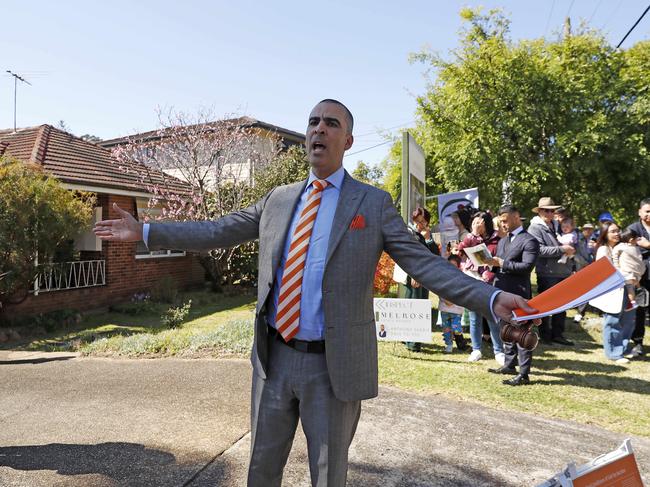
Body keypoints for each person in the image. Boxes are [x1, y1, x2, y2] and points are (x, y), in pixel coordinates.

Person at [93, 99, 534, 487]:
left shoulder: (371, 203)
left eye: (330, 123)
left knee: (328, 473)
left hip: (333, 365)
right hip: (274, 358)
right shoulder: (279, 199)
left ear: (348, 140)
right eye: (312, 122)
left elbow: (424, 264)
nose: (318, 129)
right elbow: (217, 230)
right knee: (261, 468)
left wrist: (491, 300)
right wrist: (146, 230)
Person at [487, 205, 540, 385]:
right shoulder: (503, 240)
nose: (502, 224)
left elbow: (527, 267)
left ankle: (524, 374)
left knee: (522, 332)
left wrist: (502, 263)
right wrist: (490, 263)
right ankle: (509, 364)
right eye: (500, 221)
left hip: (519, 292)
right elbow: (500, 263)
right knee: (506, 330)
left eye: (505, 220)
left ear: (517, 217)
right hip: (501, 290)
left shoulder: (529, 240)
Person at [457, 211, 504, 364]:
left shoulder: (496, 239)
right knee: (474, 316)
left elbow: (498, 259)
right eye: (474, 223)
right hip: (472, 279)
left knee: (491, 316)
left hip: (490, 281)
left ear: (487, 223)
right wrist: (473, 234)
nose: (477, 225)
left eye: (480, 223)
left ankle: (499, 351)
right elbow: (460, 250)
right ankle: (476, 349)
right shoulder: (472, 238)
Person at [528, 197, 576, 346]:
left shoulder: (556, 225)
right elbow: (539, 250)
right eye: (547, 210)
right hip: (547, 273)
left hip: (563, 271)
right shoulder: (535, 227)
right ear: (540, 211)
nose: (550, 213)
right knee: (546, 306)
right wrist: (562, 249)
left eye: (552, 210)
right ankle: (545, 336)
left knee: (562, 306)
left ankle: (558, 335)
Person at [595, 222, 636, 364]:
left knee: (628, 319)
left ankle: (622, 349)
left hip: (626, 287)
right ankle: (613, 353)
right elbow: (603, 272)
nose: (617, 233)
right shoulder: (603, 250)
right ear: (605, 234)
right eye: (613, 231)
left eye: (618, 231)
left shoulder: (621, 248)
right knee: (612, 321)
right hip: (612, 290)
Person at [403, 206, 439, 352]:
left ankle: (414, 340)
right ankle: (411, 342)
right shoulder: (409, 232)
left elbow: (435, 254)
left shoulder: (426, 234)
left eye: (423, 221)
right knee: (411, 307)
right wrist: (414, 275)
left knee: (420, 307)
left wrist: (428, 239)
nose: (420, 224)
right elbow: (408, 256)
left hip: (424, 276)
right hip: (413, 276)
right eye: (418, 221)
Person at [625, 198, 650, 356]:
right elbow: (628, 251)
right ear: (640, 212)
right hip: (641, 276)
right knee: (640, 309)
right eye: (647, 211)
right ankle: (638, 342)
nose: (649, 214)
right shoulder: (633, 229)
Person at [613, 228, 645, 312]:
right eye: (636, 239)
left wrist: (617, 267)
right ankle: (639, 290)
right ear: (631, 240)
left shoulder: (620, 247)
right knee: (634, 285)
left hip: (626, 273)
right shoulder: (636, 248)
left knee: (630, 288)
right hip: (637, 272)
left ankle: (633, 302)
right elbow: (639, 260)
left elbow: (614, 255)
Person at [439, 254, 466, 353]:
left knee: (456, 328)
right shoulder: (443, 277)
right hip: (444, 308)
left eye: (454, 266)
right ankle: (449, 345)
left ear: (458, 267)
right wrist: (445, 300)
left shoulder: (462, 278)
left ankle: (460, 341)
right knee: (446, 329)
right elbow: (439, 289)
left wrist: (452, 301)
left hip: (456, 309)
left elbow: (462, 292)